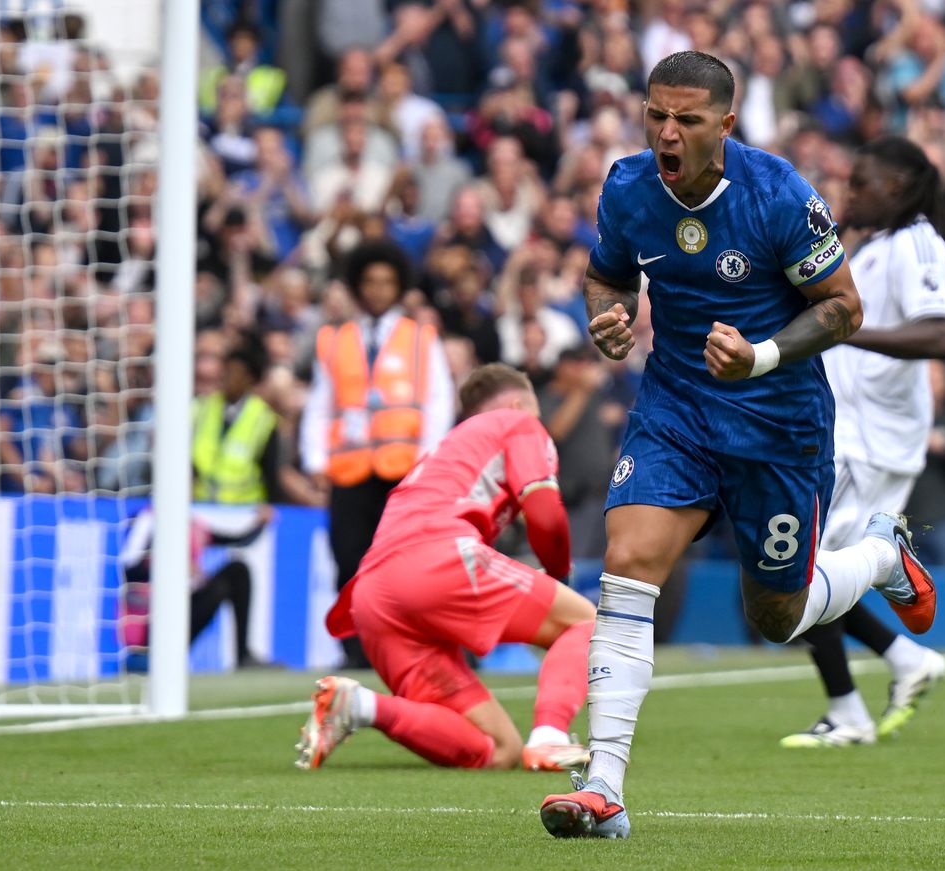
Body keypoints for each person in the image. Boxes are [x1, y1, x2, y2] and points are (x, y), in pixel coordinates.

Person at [538, 52, 938, 840]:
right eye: (656, 115)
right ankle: (605, 784)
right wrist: (608, 317)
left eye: (686, 119)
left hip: (777, 424)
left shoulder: (779, 194)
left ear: (724, 124)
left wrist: (760, 354)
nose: (666, 132)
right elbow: (607, 275)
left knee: (777, 616)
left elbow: (844, 308)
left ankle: (879, 556)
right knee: (629, 559)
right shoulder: (626, 186)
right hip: (677, 408)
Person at [294, 364, 596, 772]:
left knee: (500, 750)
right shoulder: (518, 422)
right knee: (585, 622)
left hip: (372, 596)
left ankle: (360, 705)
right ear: (518, 405)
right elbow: (545, 515)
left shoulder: (447, 451)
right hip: (436, 560)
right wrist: (559, 578)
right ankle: (550, 737)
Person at [780, 136, 945, 750]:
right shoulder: (875, 246)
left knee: (800, 575)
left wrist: (844, 330)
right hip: (847, 434)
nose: (850, 193)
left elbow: (937, 334)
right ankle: (904, 662)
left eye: (862, 183)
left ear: (898, 187)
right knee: (809, 574)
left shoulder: (919, 244)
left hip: (875, 441)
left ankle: (851, 710)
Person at [300, 240, 455, 669]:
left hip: (403, 470)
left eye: (386, 282)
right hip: (350, 469)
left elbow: (438, 402)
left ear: (399, 287)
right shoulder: (335, 339)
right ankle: (356, 650)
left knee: (405, 563)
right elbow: (320, 402)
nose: (378, 290)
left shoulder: (420, 338)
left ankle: (407, 645)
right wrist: (315, 459)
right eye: (370, 282)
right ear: (357, 286)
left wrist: (427, 460)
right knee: (348, 558)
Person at [120, 505, 272, 669]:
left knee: (237, 571)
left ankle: (243, 656)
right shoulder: (148, 518)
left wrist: (261, 523)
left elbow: (239, 540)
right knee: (170, 601)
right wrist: (170, 565)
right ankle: (148, 655)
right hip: (152, 615)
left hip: (185, 610)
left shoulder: (195, 524)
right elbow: (129, 566)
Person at [191, 338, 281, 505]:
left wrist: (271, 504)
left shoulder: (263, 419)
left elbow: (270, 470)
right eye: (226, 371)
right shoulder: (202, 408)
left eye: (236, 373)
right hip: (201, 505)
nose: (228, 377)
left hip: (244, 509)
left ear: (249, 379)